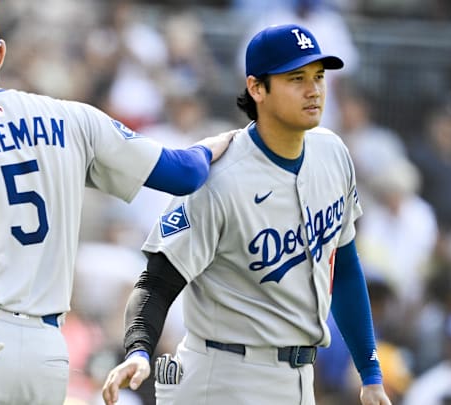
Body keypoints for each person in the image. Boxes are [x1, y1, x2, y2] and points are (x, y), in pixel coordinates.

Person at [0, 1, 234, 404]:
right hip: (46, 355)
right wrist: (209, 147)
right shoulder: (74, 119)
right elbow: (182, 175)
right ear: (0, 53)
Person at [101, 24, 392, 405]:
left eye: (319, 76)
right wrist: (139, 350)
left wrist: (370, 373)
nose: (314, 89)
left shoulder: (333, 153)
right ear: (257, 88)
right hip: (223, 377)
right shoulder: (220, 178)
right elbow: (156, 282)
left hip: (301, 378)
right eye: (296, 78)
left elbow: (346, 268)